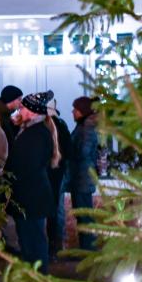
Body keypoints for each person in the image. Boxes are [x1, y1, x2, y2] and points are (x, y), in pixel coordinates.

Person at [5, 90, 60, 274]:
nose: (19, 110)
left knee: (33, 242)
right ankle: (34, 278)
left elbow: (26, 165)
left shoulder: (36, 134)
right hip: (28, 196)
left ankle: (38, 279)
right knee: (29, 240)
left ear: (33, 111)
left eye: (23, 107)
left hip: (31, 197)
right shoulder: (31, 131)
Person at [70, 96, 100, 253]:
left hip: (82, 178)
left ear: (82, 111)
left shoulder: (86, 128)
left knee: (84, 215)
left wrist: (70, 152)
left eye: (75, 109)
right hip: (81, 177)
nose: (72, 112)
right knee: (82, 214)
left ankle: (88, 249)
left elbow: (83, 151)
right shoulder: (84, 126)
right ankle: (86, 248)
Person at [46, 98, 73, 260]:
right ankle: (57, 245)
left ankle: (55, 246)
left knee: (55, 210)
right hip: (59, 172)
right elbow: (69, 150)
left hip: (54, 173)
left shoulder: (50, 127)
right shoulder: (61, 125)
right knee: (56, 209)